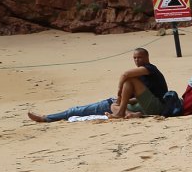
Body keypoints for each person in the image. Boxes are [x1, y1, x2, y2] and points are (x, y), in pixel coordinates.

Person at [27, 47, 168, 122]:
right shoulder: (141, 77)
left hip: (156, 106)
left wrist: (119, 92)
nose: (137, 60)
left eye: (140, 58)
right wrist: (121, 100)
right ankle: (130, 114)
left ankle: (120, 114)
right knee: (112, 105)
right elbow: (140, 96)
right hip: (145, 106)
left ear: (147, 57)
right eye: (135, 58)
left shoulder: (150, 69)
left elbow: (125, 75)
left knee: (127, 82)